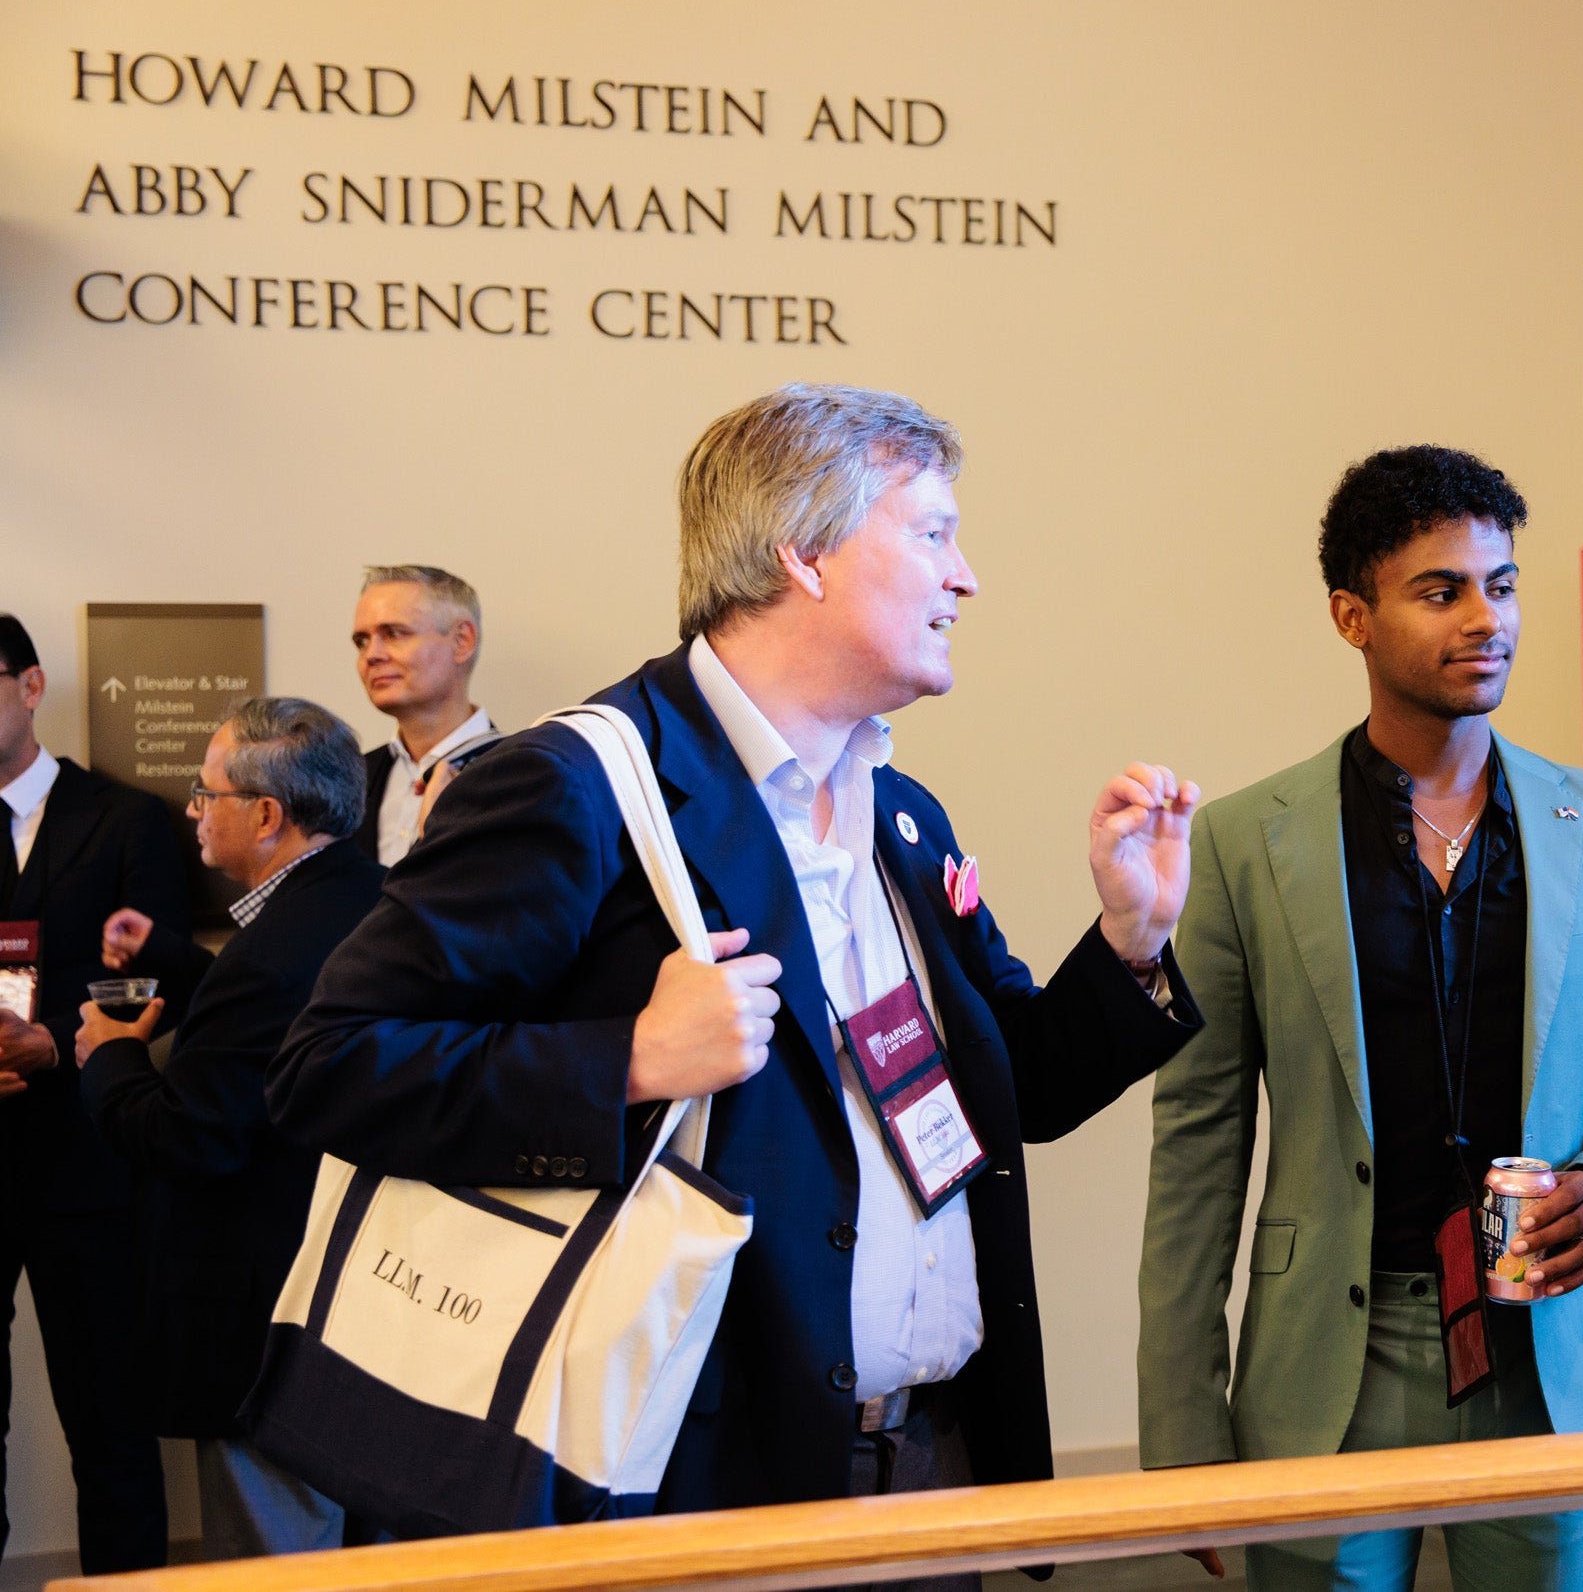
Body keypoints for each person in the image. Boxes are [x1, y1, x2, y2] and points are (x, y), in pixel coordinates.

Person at [266, 385, 1204, 1575]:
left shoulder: (902, 814)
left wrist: (1130, 938)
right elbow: (329, 1064)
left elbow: (1011, 1093)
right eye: (933, 533)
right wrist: (629, 1061)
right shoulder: (579, 784)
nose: (965, 577)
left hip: (934, 1464)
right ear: (803, 553)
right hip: (705, 1487)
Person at [1139, 447, 1583, 1592]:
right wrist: (1182, 1422)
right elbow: (1198, 1137)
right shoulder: (1246, 841)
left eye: (1502, 584)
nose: (1486, 618)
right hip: (1330, 1365)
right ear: (1353, 614)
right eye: (1441, 591)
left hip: (1544, 1352)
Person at [78, 697, 382, 1560]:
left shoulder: (273, 954)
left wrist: (109, 1056)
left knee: (275, 1562)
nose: (192, 811)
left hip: (262, 1326)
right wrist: (176, 960)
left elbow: (193, 1137)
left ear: (266, 814)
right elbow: (275, 1034)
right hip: (356, 1307)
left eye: (206, 793)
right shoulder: (364, 899)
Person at [0, 615, 176, 1573]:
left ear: (30, 687)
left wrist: (55, 1049)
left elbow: (149, 979)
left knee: (110, 1421)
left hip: (89, 1160)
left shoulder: (125, 819)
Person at [349, 565, 500, 866]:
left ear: (462, 641)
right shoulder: (349, 780)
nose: (372, 655)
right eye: (362, 641)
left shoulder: (521, 778)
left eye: (393, 634)